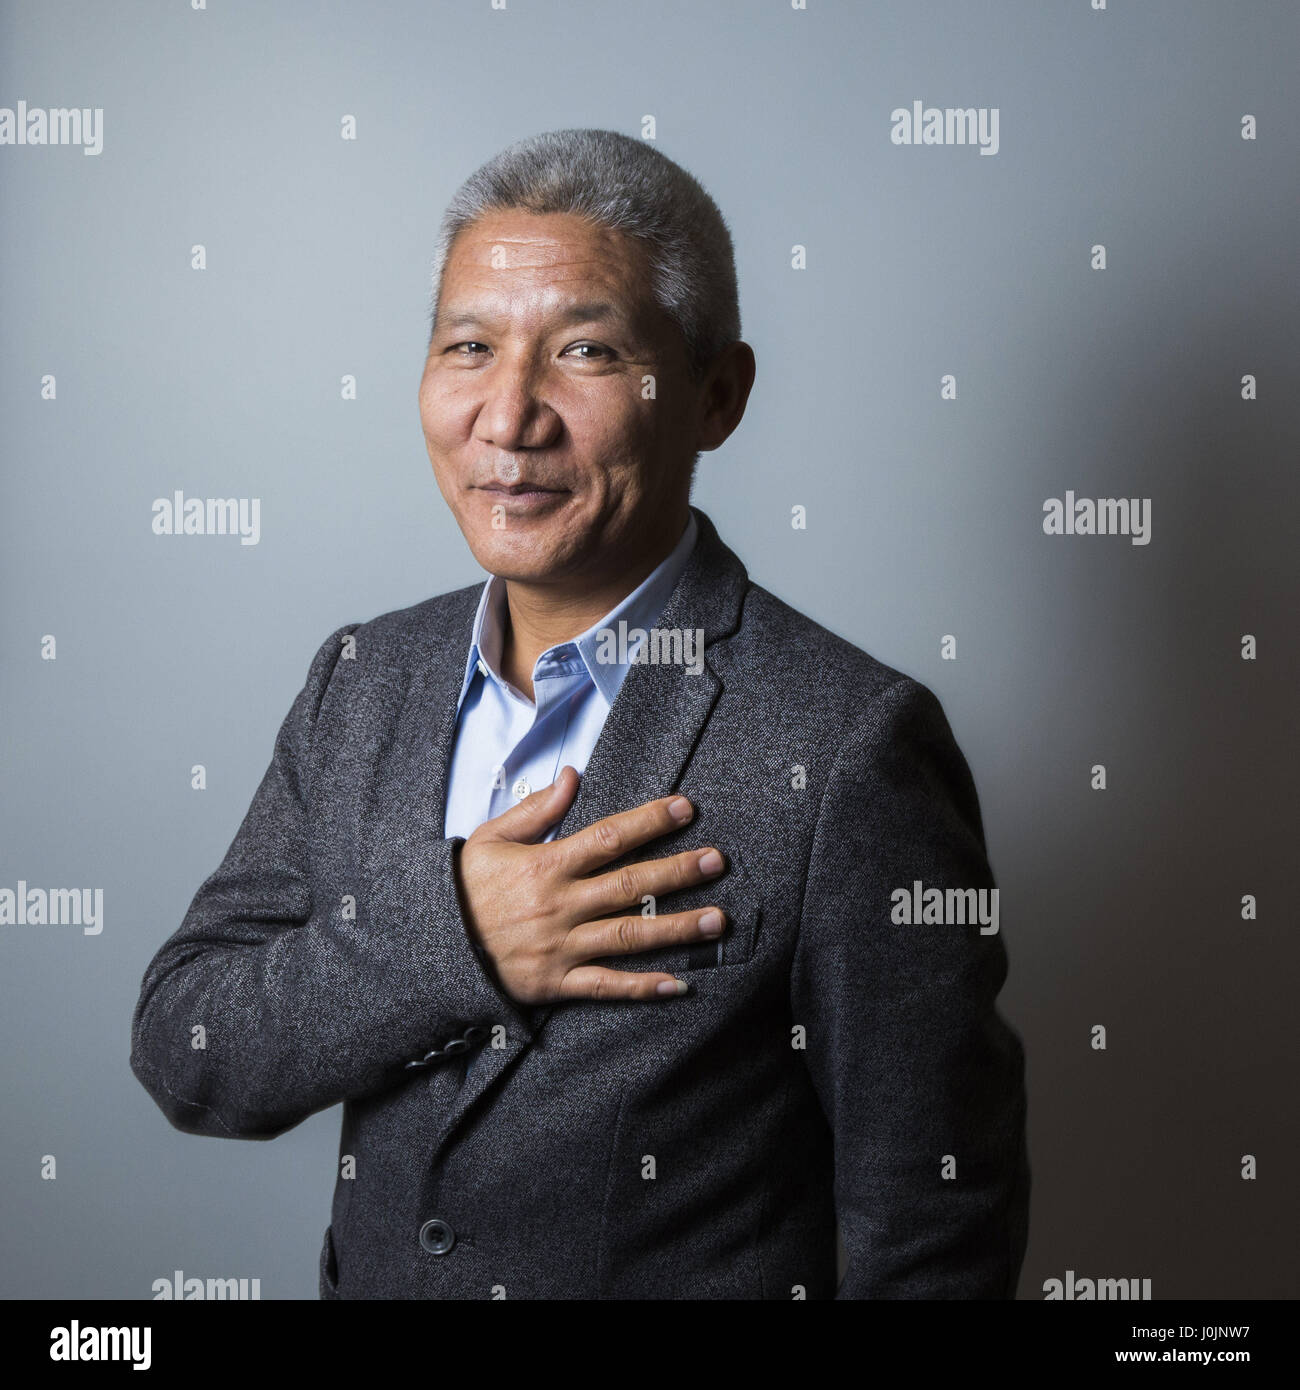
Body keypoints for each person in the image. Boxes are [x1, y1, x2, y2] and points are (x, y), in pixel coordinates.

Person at [130, 128, 1030, 1299]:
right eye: (468, 347)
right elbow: (187, 1050)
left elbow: (933, 1231)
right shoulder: (363, 679)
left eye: (586, 352)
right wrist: (453, 933)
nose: (508, 418)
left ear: (716, 394)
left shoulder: (849, 745)